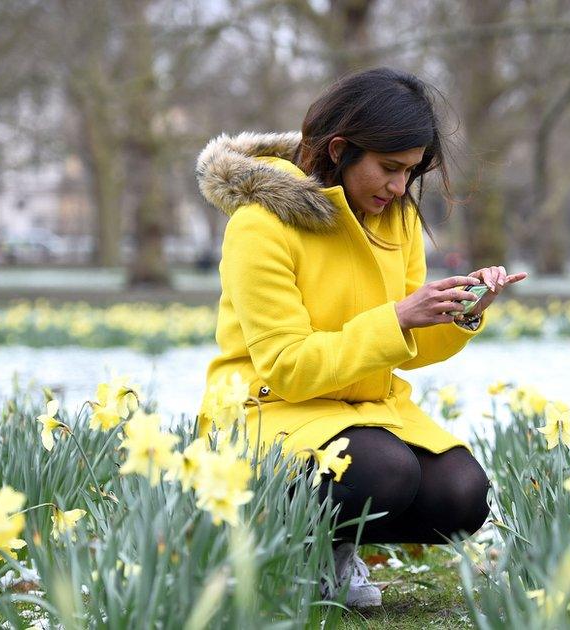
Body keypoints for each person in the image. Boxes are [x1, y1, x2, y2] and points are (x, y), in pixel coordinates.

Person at [195, 67, 527, 608]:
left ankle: (325, 541)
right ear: (340, 148)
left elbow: (408, 347)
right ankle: (292, 551)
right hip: (267, 413)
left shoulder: (394, 218)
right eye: (389, 169)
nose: (400, 187)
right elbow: (287, 367)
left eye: (411, 171)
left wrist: (458, 313)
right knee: (382, 471)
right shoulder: (261, 224)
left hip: (366, 415)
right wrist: (396, 318)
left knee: (464, 495)